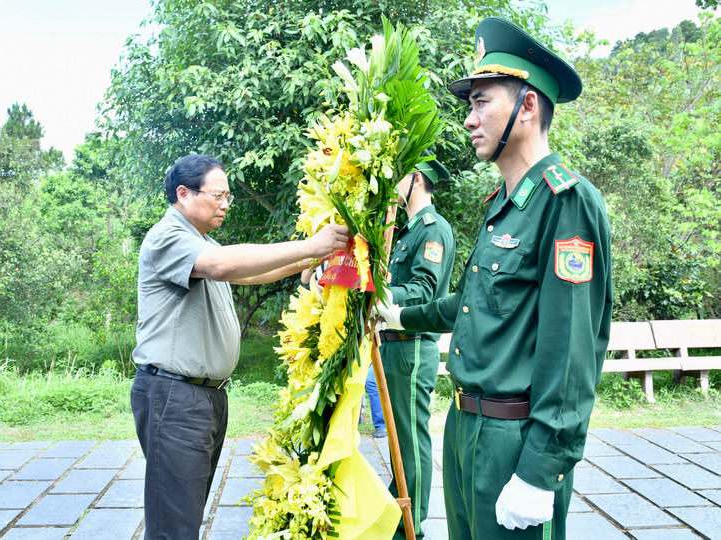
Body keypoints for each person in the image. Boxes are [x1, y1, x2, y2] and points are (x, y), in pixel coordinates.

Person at [379, 17, 613, 540]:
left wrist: (540, 469)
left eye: (482, 101)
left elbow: (573, 347)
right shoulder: (502, 208)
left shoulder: (565, 202)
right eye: (470, 104)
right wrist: (398, 313)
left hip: (516, 438)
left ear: (527, 106)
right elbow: (472, 304)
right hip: (465, 428)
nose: (469, 118)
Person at [130, 154, 349, 540]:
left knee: (186, 513)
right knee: (173, 526)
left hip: (204, 398)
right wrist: (309, 243)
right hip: (174, 396)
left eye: (229, 196)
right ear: (183, 193)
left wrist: (314, 254)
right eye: (218, 195)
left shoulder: (202, 242)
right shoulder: (168, 237)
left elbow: (255, 272)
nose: (226, 204)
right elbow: (223, 266)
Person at [369, 155, 455, 540]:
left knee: (410, 438)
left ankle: (411, 526)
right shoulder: (407, 231)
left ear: (415, 179)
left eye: (398, 176)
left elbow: (423, 291)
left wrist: (374, 291)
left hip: (412, 345)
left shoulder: (432, 230)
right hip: (394, 343)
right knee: (398, 437)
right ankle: (400, 504)